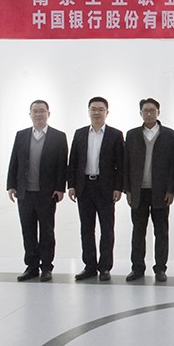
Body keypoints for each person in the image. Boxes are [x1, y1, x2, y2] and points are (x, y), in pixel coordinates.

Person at [7, 100, 68, 282]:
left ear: (49, 114)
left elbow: (62, 165)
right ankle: (31, 266)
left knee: (47, 232)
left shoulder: (58, 137)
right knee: (28, 231)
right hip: (25, 193)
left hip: (47, 194)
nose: (39, 114)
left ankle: (46, 267)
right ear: (30, 114)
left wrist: (60, 188)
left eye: (42, 111)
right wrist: (11, 185)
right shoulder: (21, 135)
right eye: (35, 111)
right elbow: (14, 161)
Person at [68, 96, 124, 282]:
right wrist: (72, 185)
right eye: (93, 109)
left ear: (107, 112)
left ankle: (105, 267)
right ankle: (90, 266)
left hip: (105, 188)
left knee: (107, 229)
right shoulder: (80, 134)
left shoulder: (115, 135)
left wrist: (118, 187)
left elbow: (120, 165)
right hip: (84, 186)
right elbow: (73, 162)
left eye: (101, 109)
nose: (97, 112)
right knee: (86, 228)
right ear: (89, 111)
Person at [123, 98, 174, 283]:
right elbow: (126, 164)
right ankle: (137, 268)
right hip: (139, 191)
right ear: (140, 113)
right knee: (138, 231)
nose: (149, 113)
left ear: (158, 112)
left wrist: (171, 190)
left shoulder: (170, 135)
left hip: (160, 192)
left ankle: (160, 268)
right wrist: (128, 189)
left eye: (152, 110)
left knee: (161, 232)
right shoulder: (132, 135)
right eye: (145, 110)